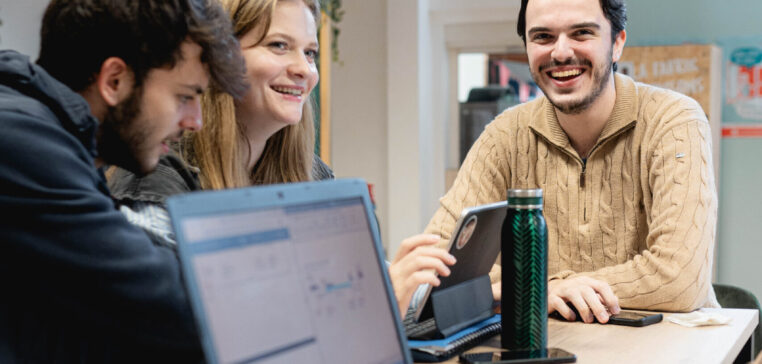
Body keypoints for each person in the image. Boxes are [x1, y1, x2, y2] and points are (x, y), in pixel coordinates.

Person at [108, 0, 455, 315]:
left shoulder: (312, 175)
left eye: (310, 52)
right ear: (217, 58)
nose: (304, 69)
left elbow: (356, 284)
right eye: (279, 46)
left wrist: (429, 282)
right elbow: (193, 329)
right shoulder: (157, 178)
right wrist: (373, 302)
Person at [424, 0, 719, 324]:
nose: (561, 53)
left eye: (581, 33)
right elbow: (436, 273)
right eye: (543, 37)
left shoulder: (674, 121)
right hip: (546, 347)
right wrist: (546, 290)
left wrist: (537, 288)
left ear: (617, 42)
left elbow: (681, 280)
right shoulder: (503, 137)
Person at [0, 0, 248, 362]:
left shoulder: (60, 140)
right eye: (184, 97)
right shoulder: (22, 143)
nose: (196, 122)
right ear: (114, 81)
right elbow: (165, 303)